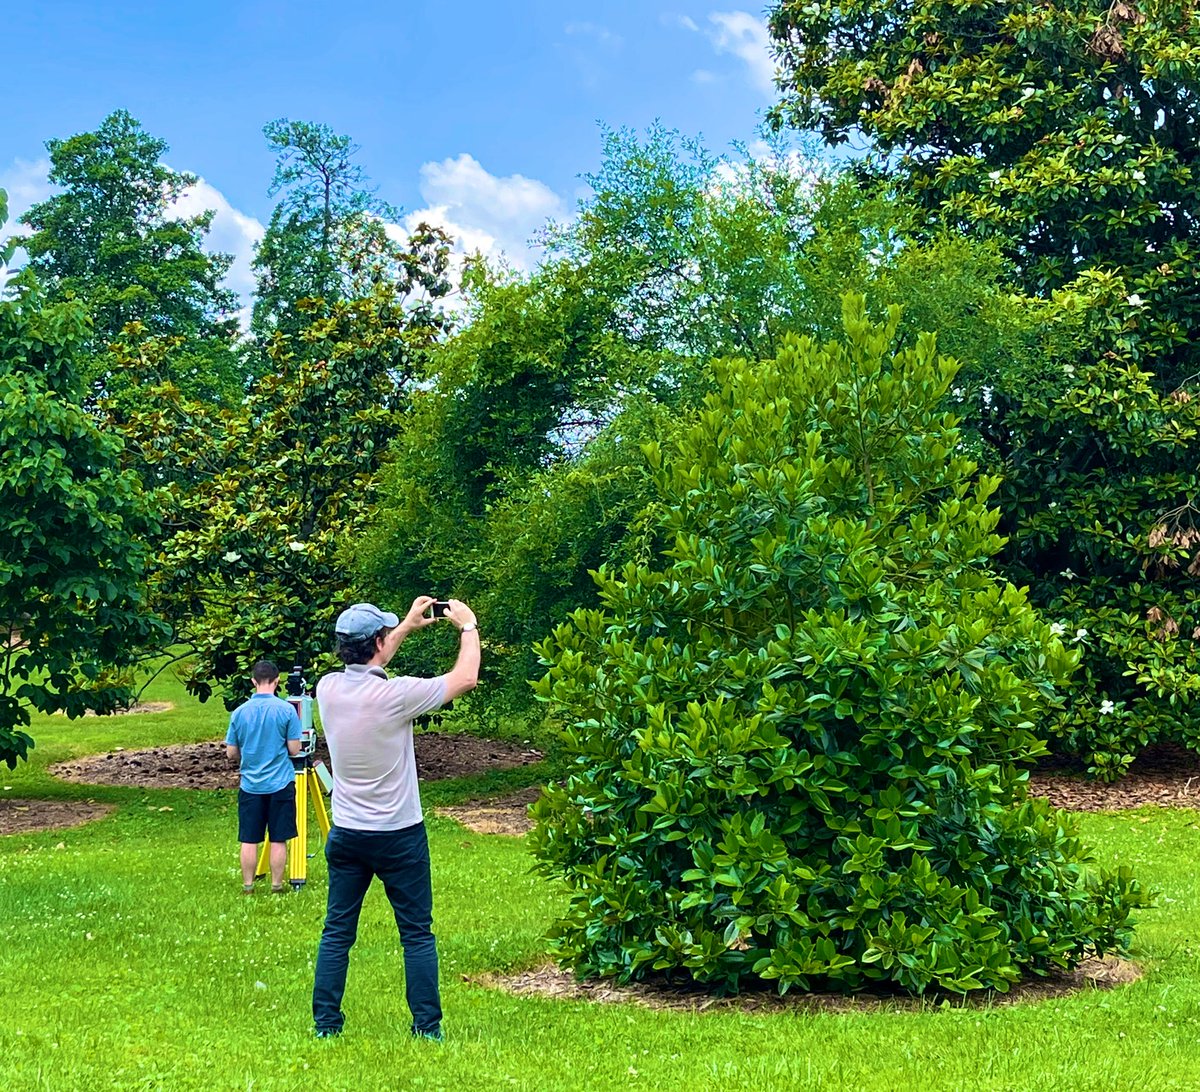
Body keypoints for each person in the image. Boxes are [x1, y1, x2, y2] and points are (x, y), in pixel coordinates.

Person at [312, 597, 479, 1042]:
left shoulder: (325, 689)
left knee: (337, 932)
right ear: (380, 643)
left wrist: (403, 626)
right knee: (416, 935)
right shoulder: (395, 695)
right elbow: (466, 678)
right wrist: (468, 626)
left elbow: (372, 655)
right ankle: (427, 1028)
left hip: (347, 834)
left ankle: (326, 1026)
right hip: (399, 836)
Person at [225, 659, 303, 894]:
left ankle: (248, 886)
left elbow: (231, 753)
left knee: (249, 839)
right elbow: (294, 749)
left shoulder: (239, 713)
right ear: (277, 681)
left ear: (253, 682)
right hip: (280, 783)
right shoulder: (287, 710)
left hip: (250, 785)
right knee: (279, 838)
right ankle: (277, 886)